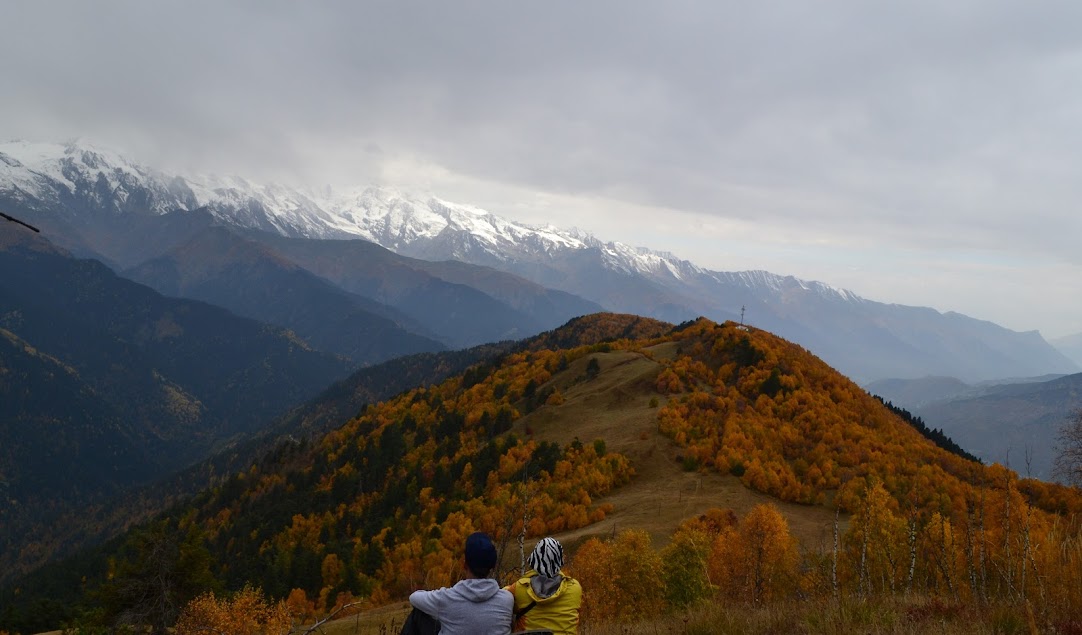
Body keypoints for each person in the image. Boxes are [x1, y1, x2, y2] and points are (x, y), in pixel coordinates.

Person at [407, 532, 514, 635]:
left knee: (418, 613)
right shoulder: (507, 600)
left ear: (464, 565)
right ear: (493, 567)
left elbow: (414, 597)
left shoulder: (447, 599)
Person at [507, 537, 582, 635]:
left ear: (535, 560)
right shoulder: (574, 588)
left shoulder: (520, 588)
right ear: (559, 561)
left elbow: (502, 599)